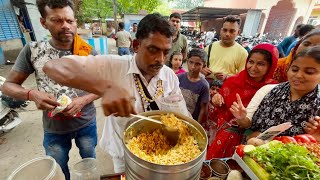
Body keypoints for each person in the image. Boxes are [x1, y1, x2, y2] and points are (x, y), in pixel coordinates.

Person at [42, 13, 189, 173]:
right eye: (153, 50)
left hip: (162, 157)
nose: (160, 59)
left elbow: (180, 114)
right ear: (136, 45)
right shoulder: (113, 66)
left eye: (166, 52)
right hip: (124, 155)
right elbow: (52, 67)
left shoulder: (169, 77)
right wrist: (106, 89)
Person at [1, 1, 99, 179]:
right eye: (57, 20)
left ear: (75, 22)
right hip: (54, 129)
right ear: (43, 22)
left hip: (86, 124)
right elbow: (7, 86)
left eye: (70, 21)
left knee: (90, 164)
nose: (65, 26)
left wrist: (83, 100)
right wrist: (31, 94)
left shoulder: (87, 51)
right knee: (58, 171)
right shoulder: (33, 51)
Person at [230, 46, 320, 142]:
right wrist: (241, 118)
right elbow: (247, 123)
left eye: (309, 72)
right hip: (250, 152)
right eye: (294, 69)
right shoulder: (268, 90)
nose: (298, 75)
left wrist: (315, 138)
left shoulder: (317, 106)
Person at [206, 43, 279, 159]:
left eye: (261, 64)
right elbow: (220, 104)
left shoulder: (273, 90)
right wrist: (217, 99)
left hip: (253, 141)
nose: (253, 67)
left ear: (271, 66)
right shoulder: (234, 81)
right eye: (251, 62)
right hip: (224, 135)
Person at [202, 15, 248, 81]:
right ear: (221, 31)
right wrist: (202, 69)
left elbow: (243, 77)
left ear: (238, 32)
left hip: (228, 88)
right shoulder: (210, 47)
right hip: (208, 87)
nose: (227, 34)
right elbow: (200, 65)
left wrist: (227, 77)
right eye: (225, 30)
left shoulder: (242, 53)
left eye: (232, 31)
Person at [178, 48, 210, 123]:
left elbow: (203, 109)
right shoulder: (179, 78)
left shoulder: (204, 85)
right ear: (187, 61)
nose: (193, 67)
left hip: (191, 121)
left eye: (198, 64)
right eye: (191, 62)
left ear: (204, 65)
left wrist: (197, 126)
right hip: (177, 116)